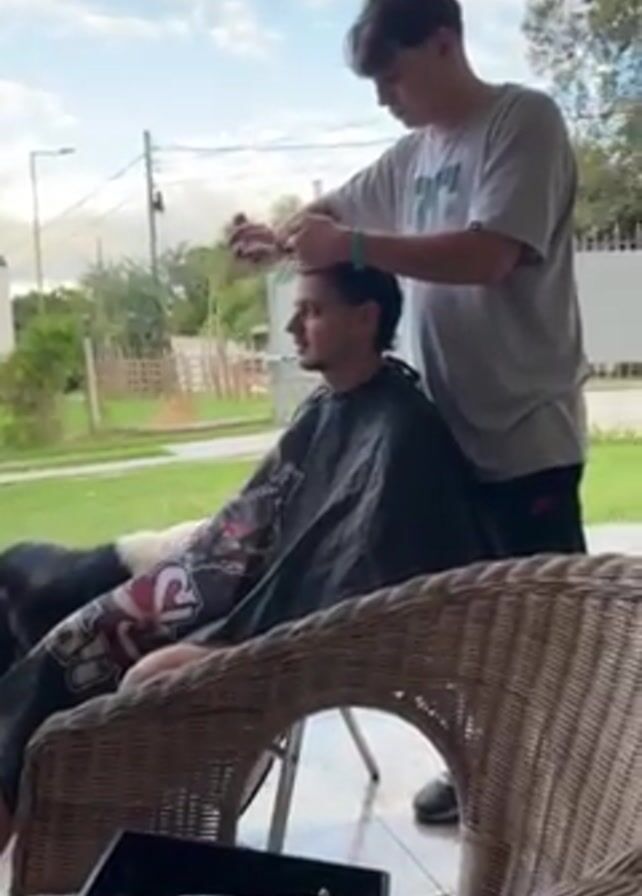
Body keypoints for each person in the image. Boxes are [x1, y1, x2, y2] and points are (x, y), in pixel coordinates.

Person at [231, 0, 588, 825]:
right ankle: (485, 768)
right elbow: (328, 219)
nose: (384, 97)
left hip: (526, 431)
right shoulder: (412, 155)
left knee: (549, 625)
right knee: (475, 626)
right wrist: (278, 239)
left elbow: (490, 255)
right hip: (448, 430)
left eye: (393, 75)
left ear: (444, 43)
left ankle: (578, 794)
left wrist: (353, 247)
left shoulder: (522, 123)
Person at [0, 262, 486, 851]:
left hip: (262, 624)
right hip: (213, 578)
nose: (293, 326)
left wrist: (236, 644)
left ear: (365, 319)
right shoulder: (328, 407)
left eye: (311, 311)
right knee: (29, 590)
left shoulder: (401, 431)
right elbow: (260, 518)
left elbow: (355, 576)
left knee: (67, 654)